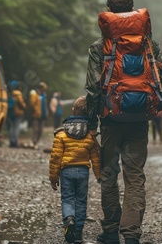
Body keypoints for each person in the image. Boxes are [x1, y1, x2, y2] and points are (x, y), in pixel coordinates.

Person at [84, 0, 162, 244]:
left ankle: (111, 230)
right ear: (132, 9)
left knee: (109, 174)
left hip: (111, 120)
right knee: (134, 175)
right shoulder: (149, 45)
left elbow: (93, 87)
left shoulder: (98, 47)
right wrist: (156, 107)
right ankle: (132, 233)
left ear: (108, 12)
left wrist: (91, 123)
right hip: (138, 121)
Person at [49, 96, 101, 244]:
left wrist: (53, 177)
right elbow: (96, 158)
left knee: (67, 198)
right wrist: (99, 175)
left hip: (66, 172)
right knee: (81, 201)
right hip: (83, 172)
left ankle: (69, 219)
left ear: (73, 111)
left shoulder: (61, 134)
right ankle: (78, 233)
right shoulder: (90, 136)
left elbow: (55, 157)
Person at [7, 80, 26, 148]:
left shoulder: (10, 94)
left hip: (11, 113)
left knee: (12, 127)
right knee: (16, 127)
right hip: (17, 113)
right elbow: (21, 103)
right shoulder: (18, 94)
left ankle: (11, 141)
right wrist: (24, 105)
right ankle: (15, 142)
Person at [29, 82, 48, 146]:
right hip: (36, 115)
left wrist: (46, 113)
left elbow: (45, 105)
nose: (44, 90)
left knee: (40, 130)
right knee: (35, 130)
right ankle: (33, 141)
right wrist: (35, 111)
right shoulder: (35, 94)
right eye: (43, 89)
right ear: (40, 88)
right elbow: (32, 104)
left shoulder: (44, 95)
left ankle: (37, 141)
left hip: (43, 115)